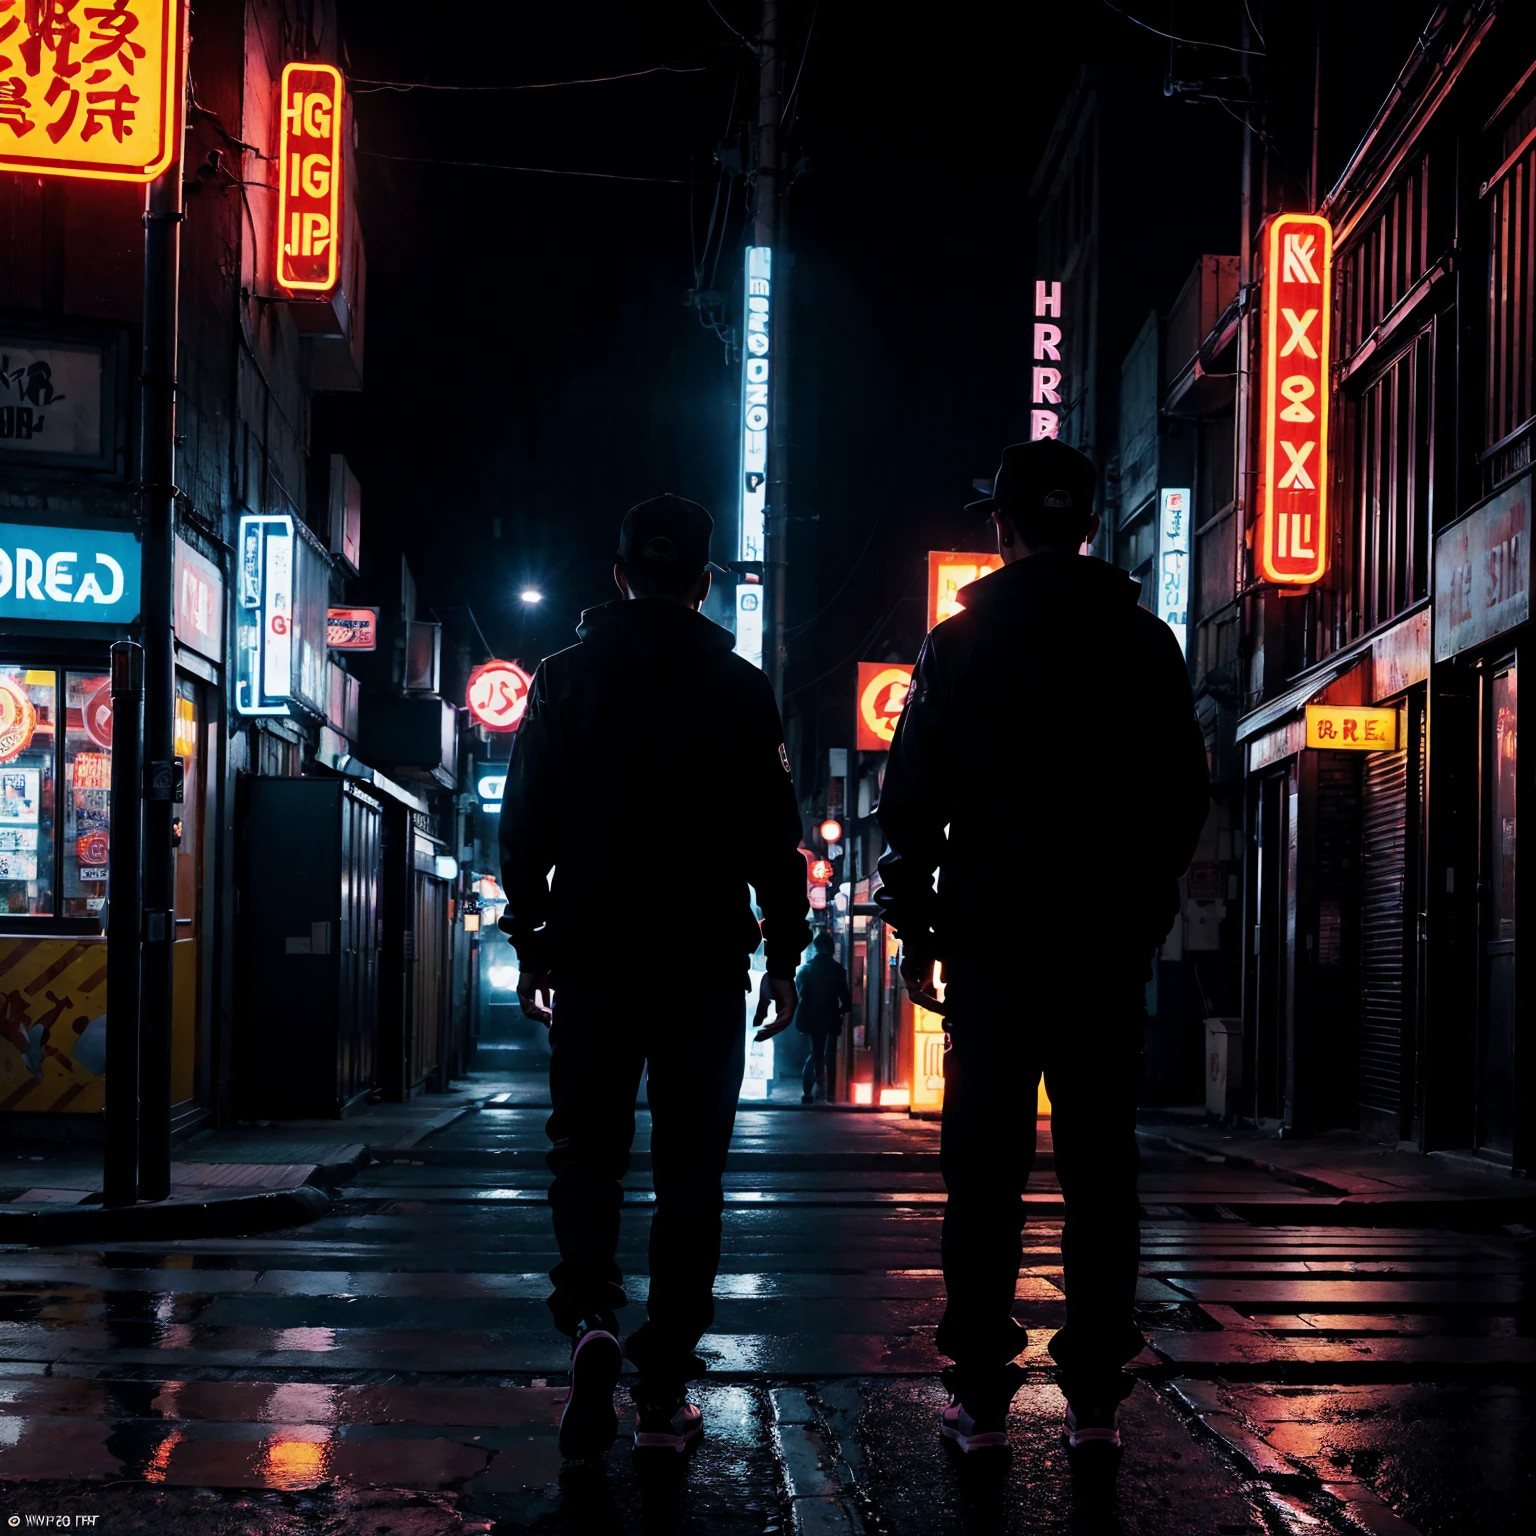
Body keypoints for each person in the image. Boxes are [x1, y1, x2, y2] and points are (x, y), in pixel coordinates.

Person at [875, 438, 1209, 1465]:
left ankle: (981, 1398)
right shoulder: (1144, 640)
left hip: (991, 945)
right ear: (1091, 525)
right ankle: (1096, 1396)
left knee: (987, 1174)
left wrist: (918, 927)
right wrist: (1144, 912)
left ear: (1003, 528)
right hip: (1104, 949)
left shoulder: (959, 645)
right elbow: (1180, 798)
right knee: (1103, 1171)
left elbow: (914, 801)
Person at [499, 493, 810, 1460]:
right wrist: (785, 951)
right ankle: (664, 1383)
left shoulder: (563, 679)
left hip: (595, 954)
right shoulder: (741, 688)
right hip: (704, 964)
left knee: (586, 1149)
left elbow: (526, 824)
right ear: (705, 581)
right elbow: (775, 834)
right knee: (690, 1175)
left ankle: (592, 1316)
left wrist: (534, 938)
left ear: (619, 571)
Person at [793, 931, 851, 1102]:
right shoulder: (837, 969)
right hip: (830, 1019)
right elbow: (846, 999)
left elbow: (799, 993)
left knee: (815, 1052)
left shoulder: (807, 968)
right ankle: (827, 1091)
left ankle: (808, 1091)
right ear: (830, 947)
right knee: (827, 1054)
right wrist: (841, 1010)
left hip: (810, 1020)